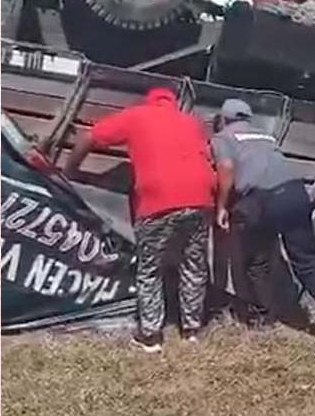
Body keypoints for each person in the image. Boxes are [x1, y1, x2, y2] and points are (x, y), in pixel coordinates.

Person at [63, 86, 216, 352]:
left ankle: (151, 335)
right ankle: (191, 330)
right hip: (201, 197)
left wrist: (69, 172)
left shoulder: (137, 116)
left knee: (150, 269)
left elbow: (88, 138)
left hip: (158, 200)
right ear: (173, 103)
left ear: (149, 102)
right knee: (193, 265)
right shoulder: (192, 122)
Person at [213, 99, 315, 334]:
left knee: (256, 262)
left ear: (223, 119)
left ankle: (266, 318)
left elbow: (225, 168)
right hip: (295, 193)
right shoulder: (265, 136)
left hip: (262, 199)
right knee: (306, 261)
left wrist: (222, 206)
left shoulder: (223, 137)